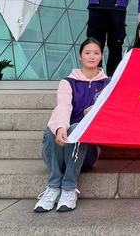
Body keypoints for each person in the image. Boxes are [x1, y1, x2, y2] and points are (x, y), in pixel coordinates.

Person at [34, 38, 109, 213]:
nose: (92, 56)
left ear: (101, 56)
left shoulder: (107, 84)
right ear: (80, 56)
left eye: (96, 53)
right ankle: (53, 188)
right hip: (60, 150)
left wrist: (94, 111)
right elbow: (63, 105)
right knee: (52, 130)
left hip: (86, 151)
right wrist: (60, 127)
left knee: (77, 129)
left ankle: (68, 188)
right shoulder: (68, 82)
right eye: (87, 53)